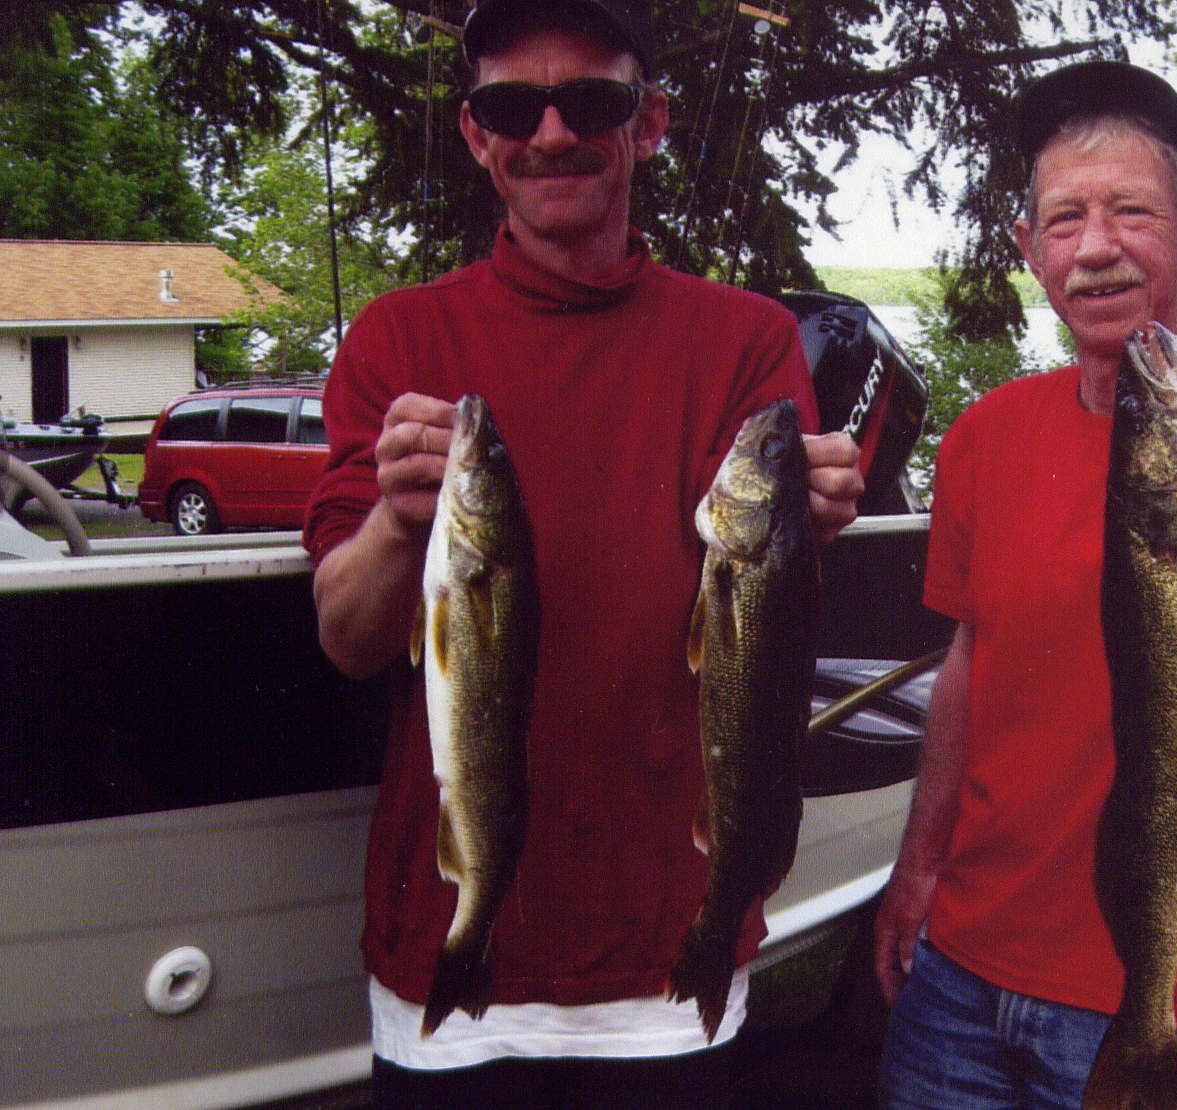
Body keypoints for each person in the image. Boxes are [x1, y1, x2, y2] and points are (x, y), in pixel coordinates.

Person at [304, 1, 862, 1106]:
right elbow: (349, 641)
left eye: (592, 102)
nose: (550, 133)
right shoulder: (396, 338)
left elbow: (758, 611)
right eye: (514, 107)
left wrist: (809, 515)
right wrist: (396, 524)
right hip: (451, 962)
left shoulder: (746, 340)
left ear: (648, 123)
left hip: (671, 962)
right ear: (477, 133)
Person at [872, 60, 1177, 1110]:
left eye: (1131, 213)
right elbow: (968, 665)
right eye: (1065, 219)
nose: (1094, 248)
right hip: (959, 966)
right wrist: (917, 866)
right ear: (1030, 250)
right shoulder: (983, 437)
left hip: (1163, 981)